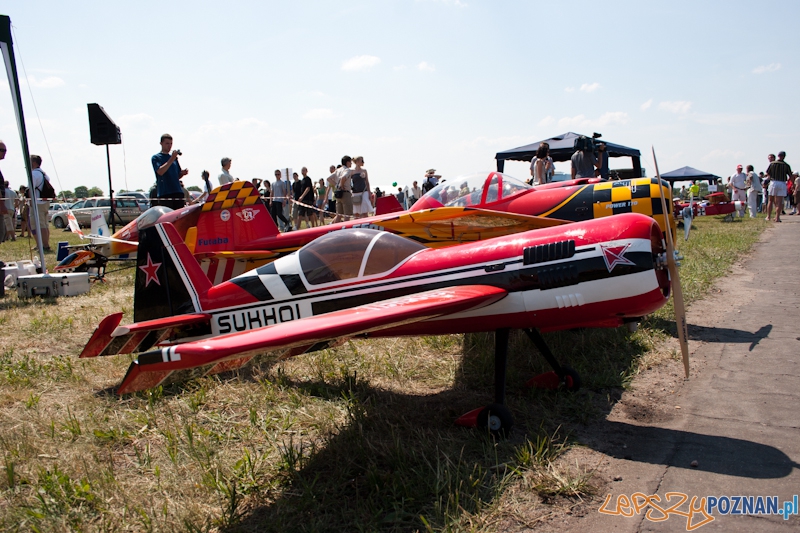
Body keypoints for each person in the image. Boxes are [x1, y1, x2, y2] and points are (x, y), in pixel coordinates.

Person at [151, 134, 189, 210]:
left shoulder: (174, 158)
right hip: (165, 193)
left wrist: (182, 173)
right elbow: (160, 171)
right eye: (167, 143)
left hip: (177, 191)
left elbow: (177, 175)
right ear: (161, 143)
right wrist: (171, 159)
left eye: (171, 143)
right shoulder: (156, 157)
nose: (169, 146)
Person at [29, 154, 51, 250]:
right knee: (44, 224)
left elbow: (30, 189)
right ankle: (44, 244)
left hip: (37, 203)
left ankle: (43, 245)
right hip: (45, 202)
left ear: (33, 163)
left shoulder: (34, 174)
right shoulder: (44, 174)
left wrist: (30, 201)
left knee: (37, 224)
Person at [765, 151, 792, 222]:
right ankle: (777, 217)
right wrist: (793, 184)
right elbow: (790, 176)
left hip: (773, 182)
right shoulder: (786, 165)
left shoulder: (772, 164)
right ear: (784, 156)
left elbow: (767, 173)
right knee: (779, 202)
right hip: (782, 182)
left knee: (770, 200)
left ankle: (768, 216)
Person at [329, 156, 353, 224]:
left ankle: (334, 229)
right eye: (350, 162)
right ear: (348, 162)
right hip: (345, 193)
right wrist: (341, 186)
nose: (351, 163)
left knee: (338, 215)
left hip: (338, 194)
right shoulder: (347, 170)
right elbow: (343, 178)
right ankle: (345, 229)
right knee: (347, 215)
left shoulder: (338, 170)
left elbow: (329, 178)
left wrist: (336, 185)